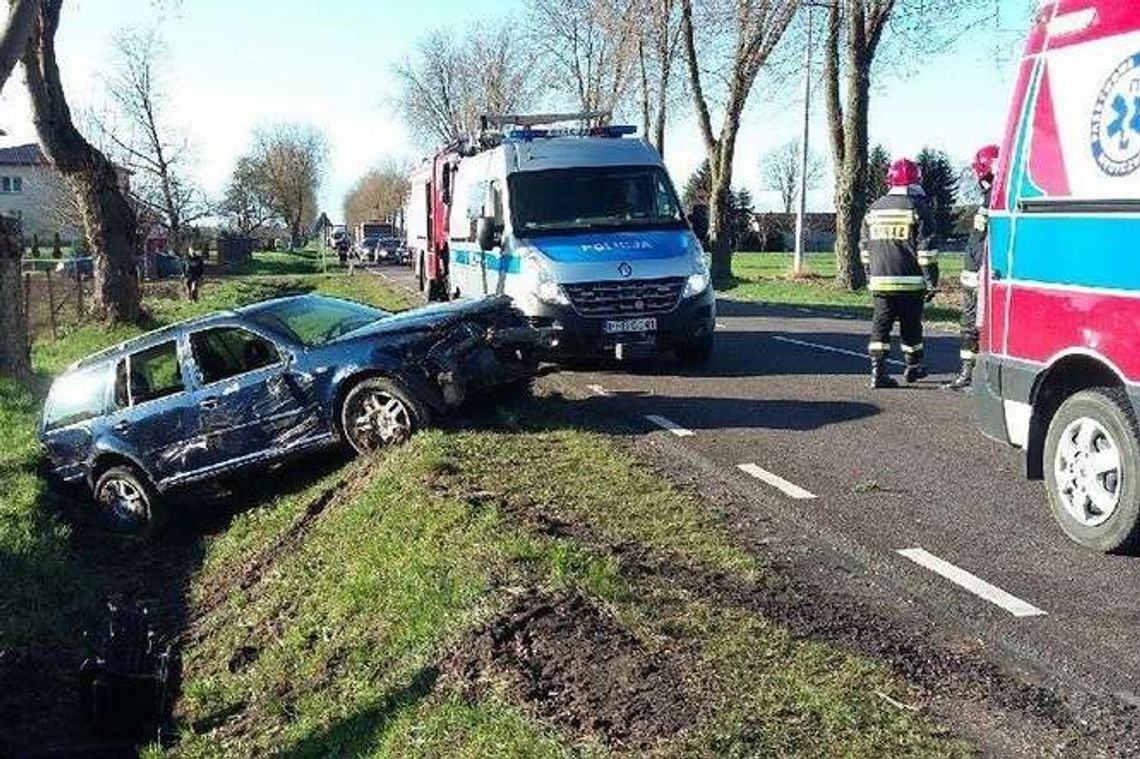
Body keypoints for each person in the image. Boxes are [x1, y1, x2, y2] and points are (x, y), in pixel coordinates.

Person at [860, 158, 940, 389]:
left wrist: (869, 275)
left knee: (881, 324)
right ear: (917, 180)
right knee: (911, 325)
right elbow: (926, 250)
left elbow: (864, 247)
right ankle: (912, 366)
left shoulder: (873, 209)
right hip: (910, 281)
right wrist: (931, 280)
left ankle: (877, 372)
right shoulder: (918, 208)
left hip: (879, 280)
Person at [945, 144, 999, 390]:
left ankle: (969, 375)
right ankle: (970, 374)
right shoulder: (994, 196)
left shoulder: (993, 197)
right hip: (979, 271)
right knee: (975, 323)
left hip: (980, 273)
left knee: (973, 323)